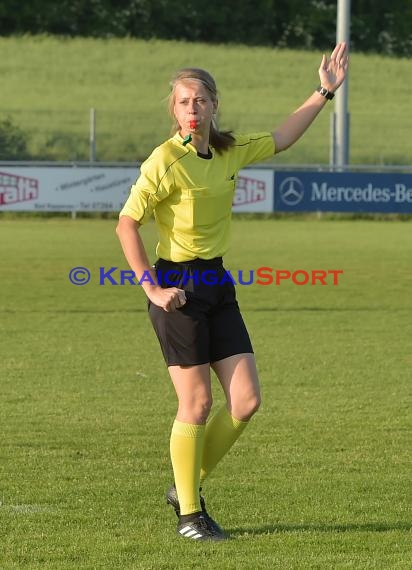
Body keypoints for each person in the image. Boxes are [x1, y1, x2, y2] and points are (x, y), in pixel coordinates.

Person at [116, 42, 349, 541]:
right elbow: (126, 225)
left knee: (244, 401)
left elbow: (284, 137)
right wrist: (153, 290)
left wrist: (323, 92)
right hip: (176, 287)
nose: (191, 109)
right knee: (196, 404)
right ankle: (190, 518)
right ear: (173, 110)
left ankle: (185, 486)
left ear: (214, 105)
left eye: (199, 100)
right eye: (182, 101)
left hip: (217, 282)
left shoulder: (229, 148)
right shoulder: (164, 160)